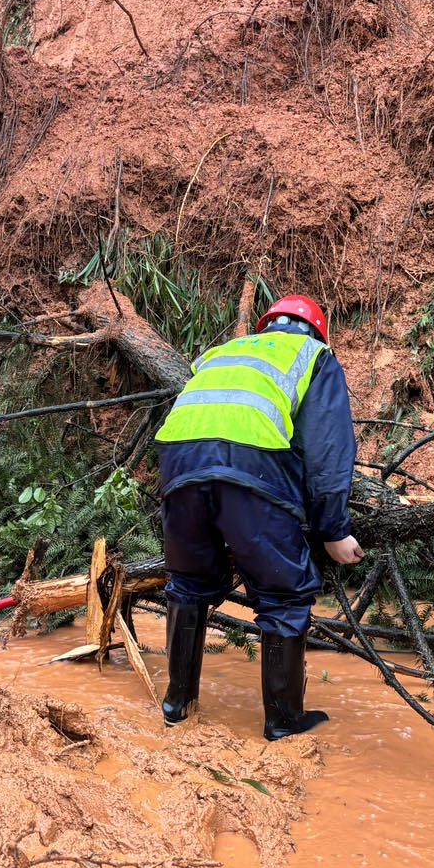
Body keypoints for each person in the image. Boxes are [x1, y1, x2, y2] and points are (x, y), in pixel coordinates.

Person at [154, 294, 364, 739]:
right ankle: (284, 726)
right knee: (284, 596)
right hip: (250, 468)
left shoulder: (223, 352)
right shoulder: (314, 356)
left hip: (177, 465)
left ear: (268, 325)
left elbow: (205, 420)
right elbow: (327, 451)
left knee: (188, 584)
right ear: (317, 331)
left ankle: (178, 706)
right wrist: (332, 528)